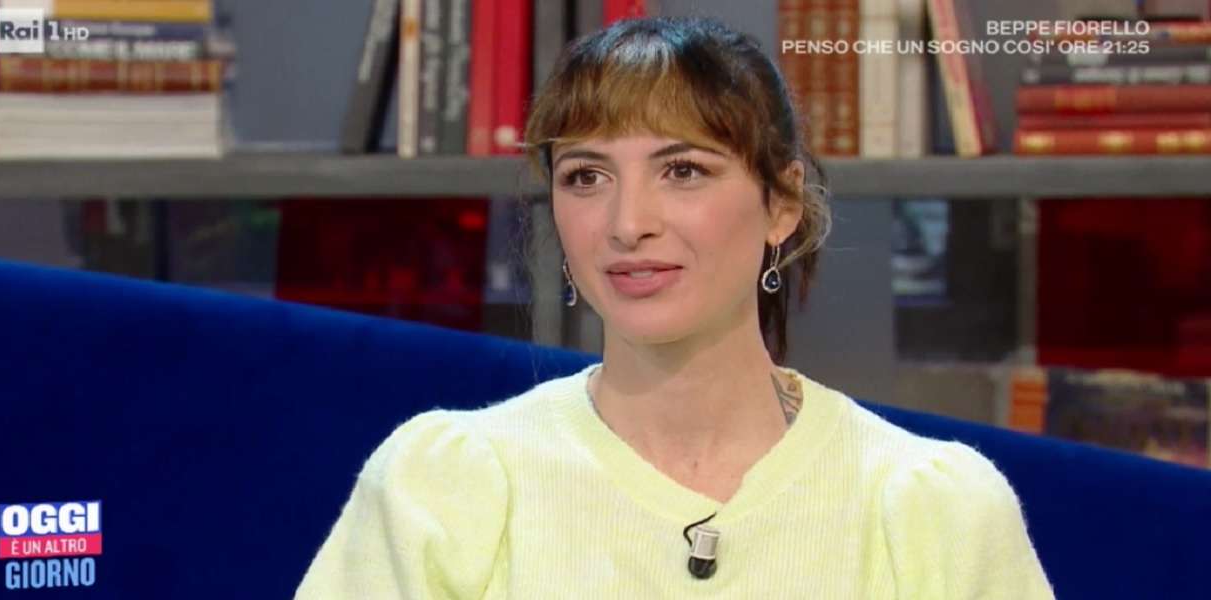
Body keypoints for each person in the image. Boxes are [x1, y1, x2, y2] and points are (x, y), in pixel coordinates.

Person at [296, 16, 1056, 599]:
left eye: (683, 170)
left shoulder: (932, 510)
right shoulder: (445, 487)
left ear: (782, 202)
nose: (628, 223)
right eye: (586, 177)